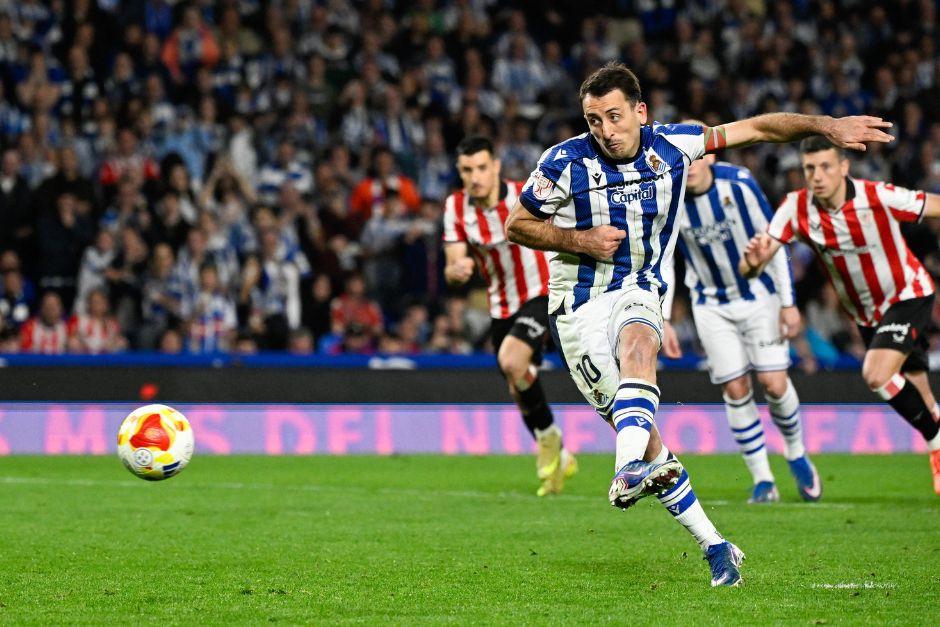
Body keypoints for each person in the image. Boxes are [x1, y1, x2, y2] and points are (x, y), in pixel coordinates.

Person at [504, 62, 892, 586]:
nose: (605, 130)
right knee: (649, 444)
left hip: (639, 289)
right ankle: (715, 545)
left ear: (641, 112)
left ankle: (623, 473)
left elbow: (758, 127)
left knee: (641, 341)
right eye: (594, 120)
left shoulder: (675, 146)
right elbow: (517, 224)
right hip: (576, 308)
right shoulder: (563, 162)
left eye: (614, 117)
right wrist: (579, 241)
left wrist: (826, 125)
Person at [741, 135, 940, 495]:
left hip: (908, 295)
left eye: (826, 167)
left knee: (876, 374)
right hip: (865, 316)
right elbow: (755, 262)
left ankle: (936, 443)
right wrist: (752, 263)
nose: (817, 176)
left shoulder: (876, 196)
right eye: (809, 169)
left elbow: (931, 205)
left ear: (844, 168)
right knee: (924, 400)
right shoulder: (796, 208)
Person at [669, 123, 819, 504]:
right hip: (711, 305)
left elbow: (773, 239)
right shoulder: (668, 197)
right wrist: (665, 317)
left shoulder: (738, 184)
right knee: (735, 389)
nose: (688, 166)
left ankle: (796, 452)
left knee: (773, 383)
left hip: (758, 297)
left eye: (695, 157)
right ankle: (763, 480)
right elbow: (665, 261)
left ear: (710, 156)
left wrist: (788, 302)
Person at [443, 135, 577, 497]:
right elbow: (453, 260)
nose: (475, 177)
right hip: (501, 304)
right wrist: (457, 268)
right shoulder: (456, 208)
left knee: (511, 360)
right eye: (467, 170)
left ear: (496, 167)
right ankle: (558, 451)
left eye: (482, 168)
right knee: (518, 381)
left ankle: (549, 442)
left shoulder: (525, 195)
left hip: (541, 291)